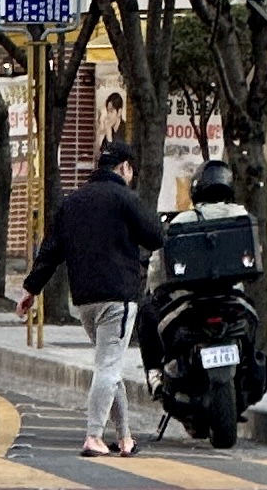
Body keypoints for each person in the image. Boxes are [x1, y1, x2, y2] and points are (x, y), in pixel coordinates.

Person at [21, 136, 166, 458]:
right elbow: (156, 236)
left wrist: (31, 288)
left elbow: (50, 251)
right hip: (119, 296)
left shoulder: (72, 202)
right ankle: (93, 436)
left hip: (85, 299)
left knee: (109, 368)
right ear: (124, 167)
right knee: (108, 368)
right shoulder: (124, 198)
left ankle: (125, 438)